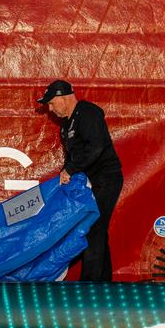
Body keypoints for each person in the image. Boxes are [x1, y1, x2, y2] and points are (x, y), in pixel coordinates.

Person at [37, 79, 123, 281]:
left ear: (63, 98)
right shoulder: (65, 126)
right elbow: (71, 159)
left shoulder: (88, 113)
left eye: (51, 103)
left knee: (93, 226)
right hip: (88, 182)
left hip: (106, 178)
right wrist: (64, 174)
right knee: (97, 228)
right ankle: (104, 281)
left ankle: (90, 283)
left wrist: (70, 169)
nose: (50, 109)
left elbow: (95, 147)